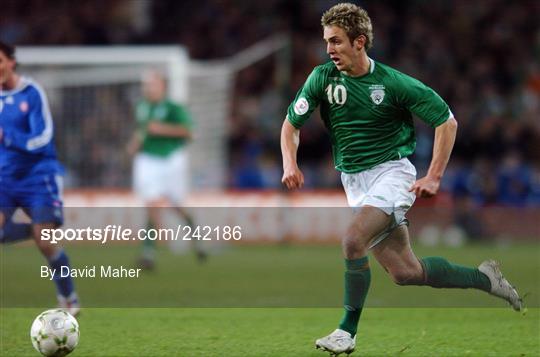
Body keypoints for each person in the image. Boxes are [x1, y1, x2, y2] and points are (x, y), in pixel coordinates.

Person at [280, 4, 522, 355]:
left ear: (359, 42)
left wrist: (434, 176)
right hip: (354, 181)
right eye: (327, 42)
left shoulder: (392, 83)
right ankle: (485, 278)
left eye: (336, 41)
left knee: (352, 241)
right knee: (405, 272)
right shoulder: (322, 78)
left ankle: (346, 333)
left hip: (391, 174)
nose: (329, 49)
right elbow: (291, 126)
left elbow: (446, 121)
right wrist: (290, 163)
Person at [0, 41, 80, 315]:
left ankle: (69, 297)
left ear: (11, 61)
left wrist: (8, 138)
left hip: (38, 175)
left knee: (45, 241)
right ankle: (33, 231)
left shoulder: (32, 93)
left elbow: (43, 137)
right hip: (4, 179)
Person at [128, 70, 205, 269]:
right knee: (152, 203)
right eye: (146, 85)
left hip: (171, 160)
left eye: (152, 84)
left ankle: (195, 235)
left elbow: (190, 133)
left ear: (162, 86)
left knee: (175, 205)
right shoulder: (142, 107)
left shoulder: (173, 108)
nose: (148, 89)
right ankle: (148, 253)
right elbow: (143, 130)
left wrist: (162, 129)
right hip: (148, 160)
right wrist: (135, 143)